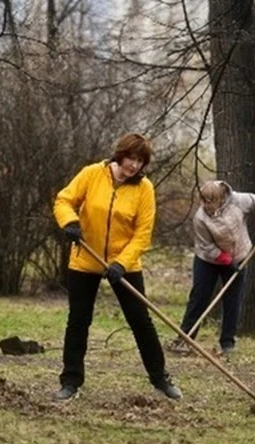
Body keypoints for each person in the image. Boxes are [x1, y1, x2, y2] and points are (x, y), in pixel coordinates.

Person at [53, 133, 181, 402]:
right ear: (120, 154)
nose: (134, 166)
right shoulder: (92, 174)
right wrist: (70, 223)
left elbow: (143, 233)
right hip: (85, 260)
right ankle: (70, 381)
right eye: (131, 158)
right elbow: (63, 200)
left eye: (140, 161)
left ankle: (161, 378)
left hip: (125, 264)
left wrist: (121, 263)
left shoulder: (144, 188)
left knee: (141, 322)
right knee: (78, 321)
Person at [167, 180, 255, 356]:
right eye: (203, 200)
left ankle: (227, 343)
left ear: (221, 198)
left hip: (239, 256)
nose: (206, 205)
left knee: (233, 300)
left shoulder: (238, 201)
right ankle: (185, 339)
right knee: (199, 297)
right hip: (208, 260)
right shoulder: (200, 218)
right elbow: (207, 247)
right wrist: (226, 260)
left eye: (210, 201)